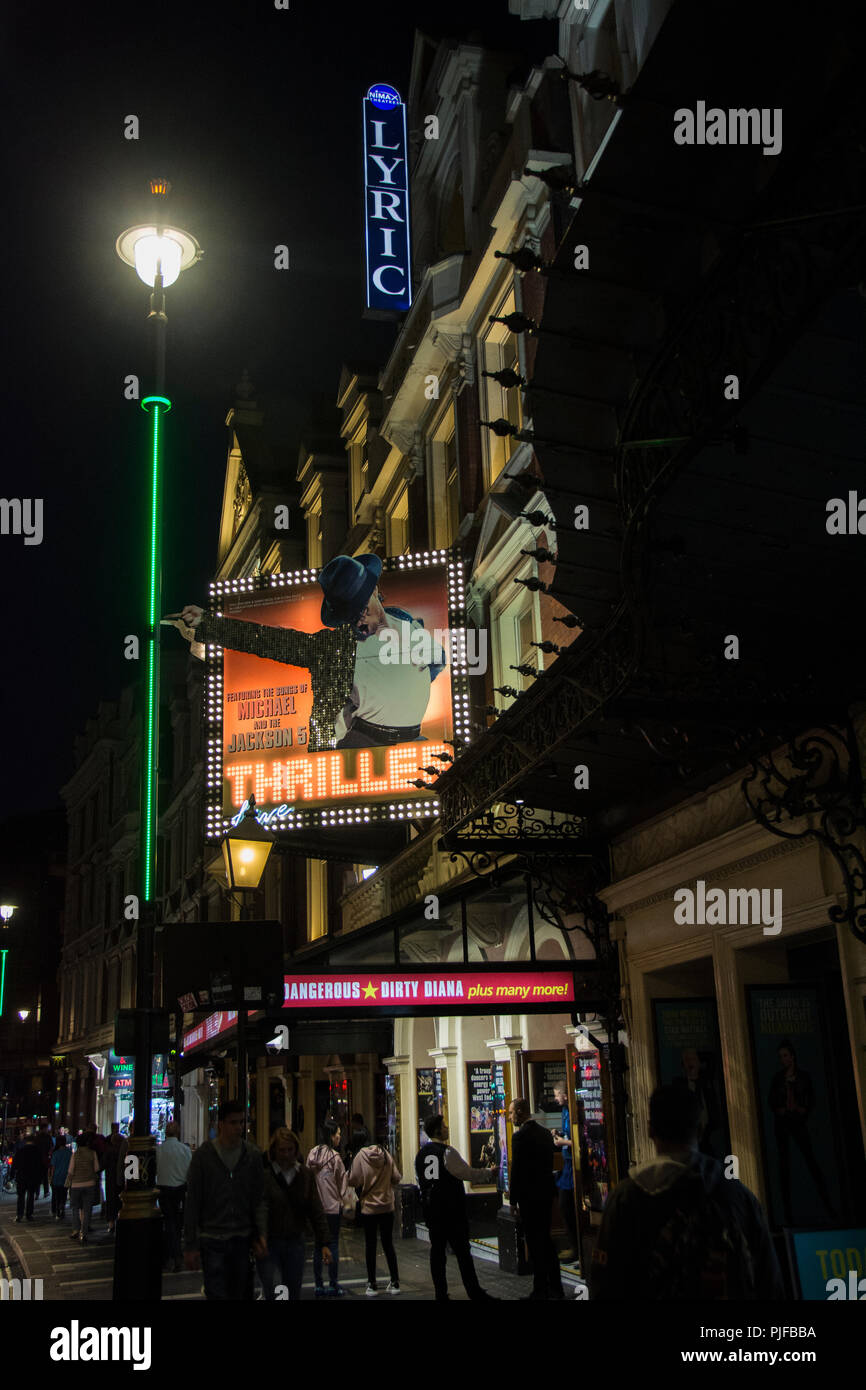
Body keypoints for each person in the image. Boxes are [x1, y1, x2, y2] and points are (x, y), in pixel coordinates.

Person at [175, 552, 447, 751]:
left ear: (375, 589)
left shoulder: (407, 620)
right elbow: (270, 640)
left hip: (414, 741)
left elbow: (438, 660)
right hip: (365, 748)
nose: (359, 620)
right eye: (350, 615)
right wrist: (209, 624)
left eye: (362, 608)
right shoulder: (334, 648)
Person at [590, 1086, 785, 1300]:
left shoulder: (626, 1198)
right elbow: (769, 1281)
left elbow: (605, 1283)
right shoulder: (738, 1196)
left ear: (650, 1130)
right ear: (700, 1129)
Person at [183, 1099, 267, 1300]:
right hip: (213, 1238)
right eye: (233, 1122)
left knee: (242, 1292)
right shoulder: (204, 1156)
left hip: (242, 1238)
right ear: (220, 1124)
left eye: (242, 1122)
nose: (239, 1127)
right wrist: (191, 1244)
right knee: (217, 1293)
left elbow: (259, 1198)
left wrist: (261, 1233)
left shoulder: (252, 1155)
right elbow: (193, 1200)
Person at [415, 1114, 497, 1302]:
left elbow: (422, 1180)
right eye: (443, 1125)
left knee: (437, 1252)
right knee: (462, 1254)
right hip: (451, 1210)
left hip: (432, 1211)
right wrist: (487, 1173)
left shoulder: (421, 1154)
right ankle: (474, 1292)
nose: (447, 1128)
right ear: (437, 1130)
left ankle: (440, 1293)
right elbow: (466, 1172)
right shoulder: (447, 1152)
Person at [258, 1128, 331, 1300]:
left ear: (296, 1150)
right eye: (282, 1150)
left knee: (292, 1289)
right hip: (271, 1242)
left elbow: (315, 1209)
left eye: (290, 1150)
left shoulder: (305, 1175)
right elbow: (258, 1208)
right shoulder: (265, 1177)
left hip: (295, 1241)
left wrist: (325, 1243)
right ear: (274, 1151)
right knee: (275, 1291)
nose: (286, 1154)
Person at [768, 1040, 836, 1223]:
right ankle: (787, 1211)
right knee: (784, 1164)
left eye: (785, 1056)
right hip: (783, 1123)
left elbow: (810, 1098)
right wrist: (780, 1109)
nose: (783, 1060)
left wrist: (802, 1109)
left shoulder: (803, 1077)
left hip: (797, 1122)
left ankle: (828, 1205)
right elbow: (772, 1100)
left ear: (792, 1056)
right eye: (780, 1057)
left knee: (810, 1159)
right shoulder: (778, 1079)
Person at [508, 1097, 563, 1300]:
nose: (510, 1116)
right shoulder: (544, 1134)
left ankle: (540, 1289)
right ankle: (554, 1287)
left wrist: (513, 1201)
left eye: (512, 1112)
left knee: (536, 1243)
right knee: (546, 1241)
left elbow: (517, 1171)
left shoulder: (520, 1136)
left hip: (530, 1198)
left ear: (521, 1112)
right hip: (546, 1193)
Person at [348, 1139, 402, 1296]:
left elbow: (353, 1179)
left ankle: (372, 1284)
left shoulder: (360, 1156)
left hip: (369, 1209)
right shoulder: (386, 1155)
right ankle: (395, 1282)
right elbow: (397, 1177)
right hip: (387, 1207)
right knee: (388, 1244)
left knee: (370, 1245)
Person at [306, 1119, 349, 1297]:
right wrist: (345, 1203)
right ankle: (332, 1283)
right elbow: (343, 1185)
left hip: (316, 1209)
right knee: (333, 1245)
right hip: (332, 1208)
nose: (339, 1137)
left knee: (318, 1246)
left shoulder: (312, 1154)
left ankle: (318, 1284)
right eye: (338, 1134)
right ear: (331, 1136)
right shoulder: (335, 1157)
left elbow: (306, 1178)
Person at [157, 1121, 192, 1272]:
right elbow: (190, 1171)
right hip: (180, 1190)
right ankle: (175, 1255)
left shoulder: (159, 1150)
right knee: (176, 1223)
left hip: (164, 1190)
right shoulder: (185, 1150)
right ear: (178, 1132)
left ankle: (170, 1256)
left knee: (169, 1222)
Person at [552, 1083, 579, 1262]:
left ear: (566, 1095)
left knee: (568, 1207)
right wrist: (559, 1134)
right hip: (568, 1165)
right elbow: (570, 1135)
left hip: (574, 1166)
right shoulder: (565, 1112)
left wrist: (564, 1143)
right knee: (565, 1206)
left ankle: (577, 1250)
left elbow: (580, 1139)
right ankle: (574, 1248)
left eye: (557, 1095)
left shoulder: (575, 1112)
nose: (555, 1098)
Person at [67, 1133, 100, 1244]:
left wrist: (68, 1182)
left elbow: (71, 1171)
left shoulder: (75, 1155)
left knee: (75, 1208)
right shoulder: (92, 1153)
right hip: (89, 1184)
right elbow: (96, 1168)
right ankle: (84, 1232)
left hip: (76, 1184)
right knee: (87, 1209)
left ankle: (75, 1229)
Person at [12, 1132, 43, 1223]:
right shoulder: (37, 1151)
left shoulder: (21, 1151)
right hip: (33, 1177)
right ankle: (29, 1214)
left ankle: (19, 1215)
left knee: (21, 1196)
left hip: (21, 1176)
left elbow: (15, 1164)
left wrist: (12, 1175)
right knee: (30, 1196)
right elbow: (40, 1165)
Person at [104, 1123, 127, 1233]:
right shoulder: (126, 1152)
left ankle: (111, 1223)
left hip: (110, 1180)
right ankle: (120, 1220)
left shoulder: (108, 1151)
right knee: (120, 1202)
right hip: (122, 1180)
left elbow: (102, 1164)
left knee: (111, 1202)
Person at [48, 1133, 72, 1220]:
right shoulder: (69, 1153)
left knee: (56, 1195)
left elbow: (53, 1167)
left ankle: (57, 1211)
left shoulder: (56, 1153)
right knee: (64, 1194)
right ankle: (62, 1208)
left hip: (57, 1177)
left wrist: (50, 1177)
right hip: (66, 1176)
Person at [35, 1122, 53, 1198]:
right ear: (44, 1129)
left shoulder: (37, 1137)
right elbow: (51, 1146)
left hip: (38, 1159)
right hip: (45, 1158)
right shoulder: (48, 1137)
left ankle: (37, 1193)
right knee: (45, 1175)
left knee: (38, 1176)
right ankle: (46, 1192)